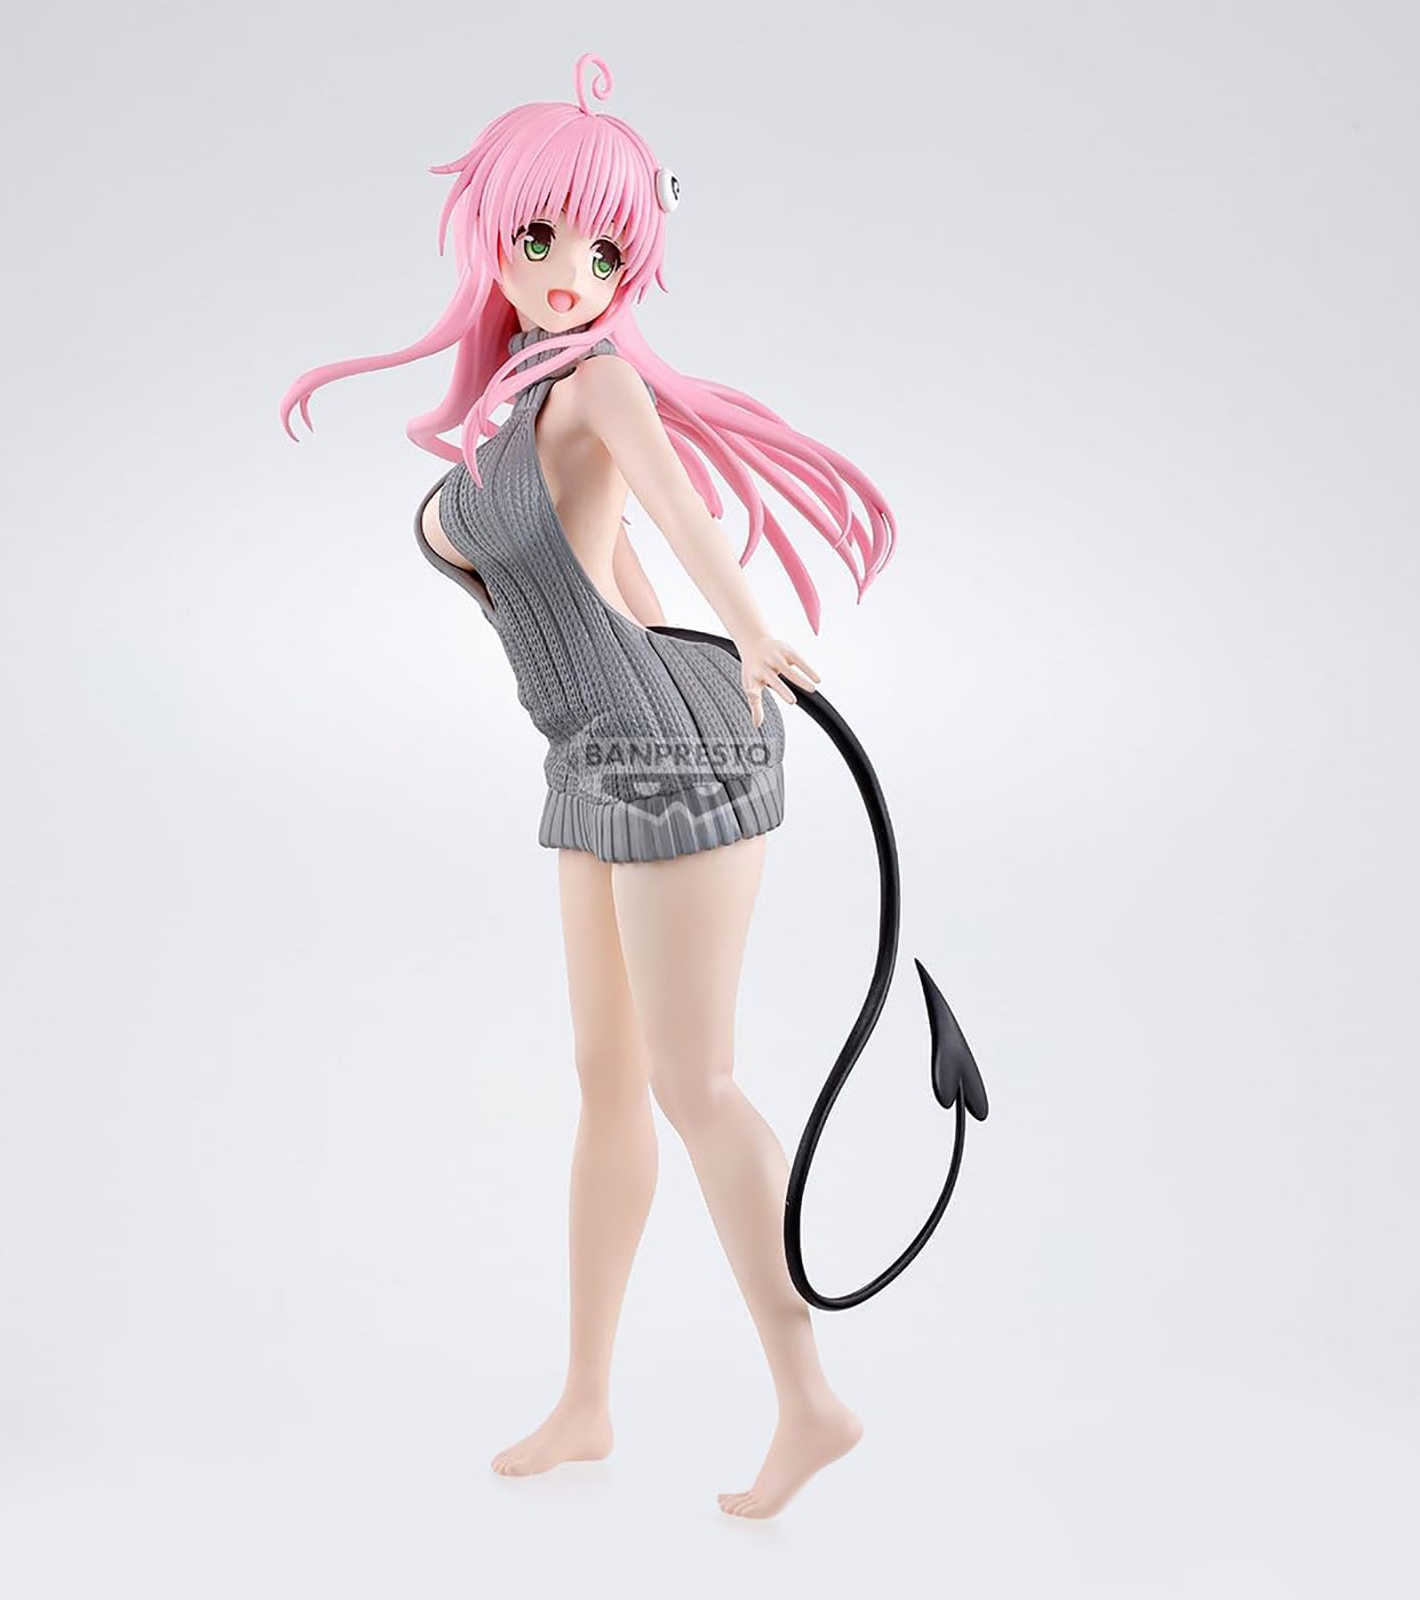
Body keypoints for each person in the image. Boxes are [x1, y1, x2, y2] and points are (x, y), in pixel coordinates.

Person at [280, 52, 898, 1520]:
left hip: (677, 753)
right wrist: (682, 640)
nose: (570, 273)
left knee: (694, 1082)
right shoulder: (518, 409)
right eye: (542, 236)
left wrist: (752, 634)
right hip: (589, 757)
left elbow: (680, 521)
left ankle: (810, 1401)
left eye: (606, 250)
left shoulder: (602, 380)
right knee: (606, 1081)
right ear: (490, 234)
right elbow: (616, 573)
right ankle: (587, 1400)